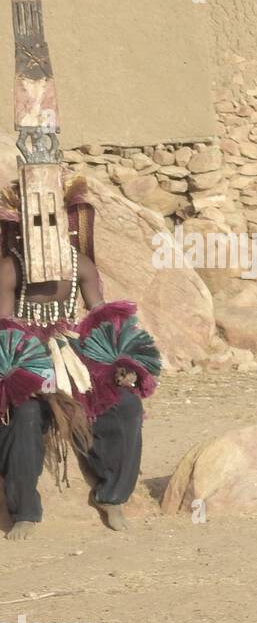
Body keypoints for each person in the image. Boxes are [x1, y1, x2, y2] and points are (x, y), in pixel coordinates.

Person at [0, 178, 159, 540]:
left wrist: (119, 361)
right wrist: (26, 374)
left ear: (67, 223)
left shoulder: (79, 264)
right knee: (23, 415)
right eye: (37, 223)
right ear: (23, 228)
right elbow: (3, 330)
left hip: (73, 357)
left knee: (125, 406)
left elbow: (102, 317)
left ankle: (111, 494)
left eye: (54, 222)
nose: (46, 231)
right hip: (24, 358)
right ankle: (25, 509)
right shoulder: (10, 268)